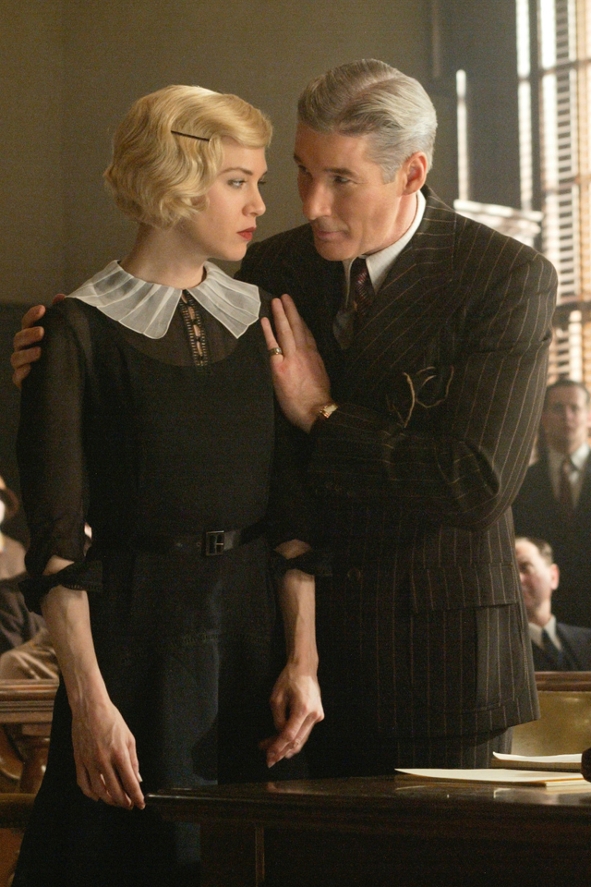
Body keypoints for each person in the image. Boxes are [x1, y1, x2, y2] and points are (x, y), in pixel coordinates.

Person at [12, 59, 556, 774]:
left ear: (411, 173)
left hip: (438, 662)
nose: (310, 204)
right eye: (301, 171)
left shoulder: (504, 276)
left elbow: (476, 482)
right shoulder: (268, 269)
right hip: (279, 664)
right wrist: (62, 363)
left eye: (340, 180)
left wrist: (323, 415)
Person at [11, 85, 323, 887]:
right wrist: (90, 703)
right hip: (133, 649)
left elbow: (292, 519)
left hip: (252, 643)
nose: (260, 204)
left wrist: (303, 661)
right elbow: (58, 545)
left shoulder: (262, 315)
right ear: (173, 184)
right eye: (236, 181)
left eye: (258, 181)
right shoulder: (75, 329)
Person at [513, 379, 591, 627]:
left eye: (575, 408)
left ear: (588, 417)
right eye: (558, 408)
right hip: (544, 614)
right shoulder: (521, 483)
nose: (567, 416)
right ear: (544, 418)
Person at [515, 536, 591, 671]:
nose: (516, 578)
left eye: (525, 567)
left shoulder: (587, 642)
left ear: (553, 576)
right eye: (508, 572)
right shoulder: (494, 651)